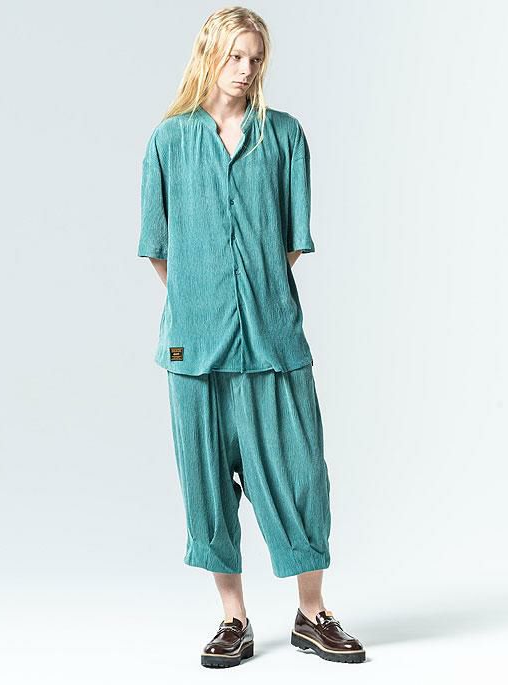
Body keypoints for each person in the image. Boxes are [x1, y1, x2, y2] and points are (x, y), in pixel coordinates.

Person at [138, 6, 366, 668]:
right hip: (193, 347)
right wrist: (203, 299)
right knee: (207, 482)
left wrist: (253, 295)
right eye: (235, 55)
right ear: (208, 54)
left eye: (255, 58)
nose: (245, 69)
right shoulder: (168, 141)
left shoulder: (285, 136)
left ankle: (312, 612)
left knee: (300, 473)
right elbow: (157, 248)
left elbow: (291, 241)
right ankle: (233, 618)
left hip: (272, 339)